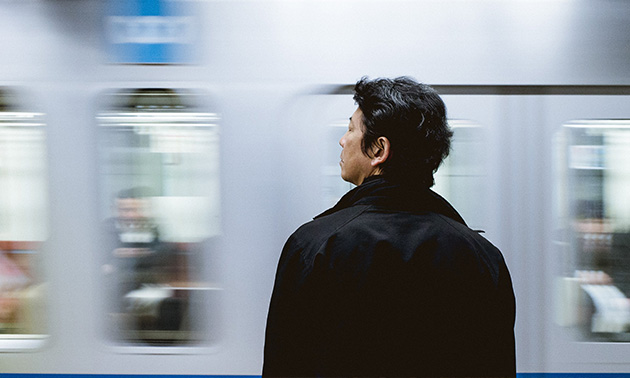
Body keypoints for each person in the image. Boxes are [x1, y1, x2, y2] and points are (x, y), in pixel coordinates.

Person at [263, 77, 516, 377]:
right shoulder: (483, 258)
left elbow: (286, 365)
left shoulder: (314, 247)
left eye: (351, 129)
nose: (343, 140)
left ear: (379, 150)